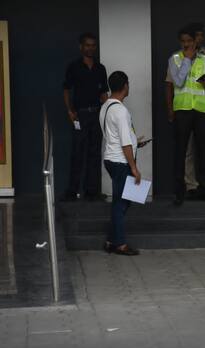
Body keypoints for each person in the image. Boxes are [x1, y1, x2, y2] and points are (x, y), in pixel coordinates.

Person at [165, 22, 205, 199]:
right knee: (181, 150)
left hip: (201, 110)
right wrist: (187, 60)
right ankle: (180, 189)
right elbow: (179, 81)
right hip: (182, 109)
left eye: (189, 41)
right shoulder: (174, 58)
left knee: (202, 150)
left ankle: (202, 189)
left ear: (195, 41)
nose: (186, 44)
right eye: (183, 41)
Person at [100, 71, 146, 256]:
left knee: (124, 200)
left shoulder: (106, 107)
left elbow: (118, 137)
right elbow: (124, 142)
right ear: (125, 85)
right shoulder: (121, 111)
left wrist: (137, 142)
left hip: (111, 159)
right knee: (121, 203)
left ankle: (112, 240)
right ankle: (119, 244)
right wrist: (134, 169)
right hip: (121, 161)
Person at [62, 32, 109, 201]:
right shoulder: (73, 67)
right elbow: (66, 89)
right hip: (80, 115)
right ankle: (72, 191)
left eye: (93, 45)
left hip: (97, 113)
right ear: (81, 47)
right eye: (87, 45)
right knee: (77, 152)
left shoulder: (100, 68)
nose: (90, 48)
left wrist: (108, 111)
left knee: (95, 153)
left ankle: (92, 191)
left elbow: (104, 93)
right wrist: (69, 110)